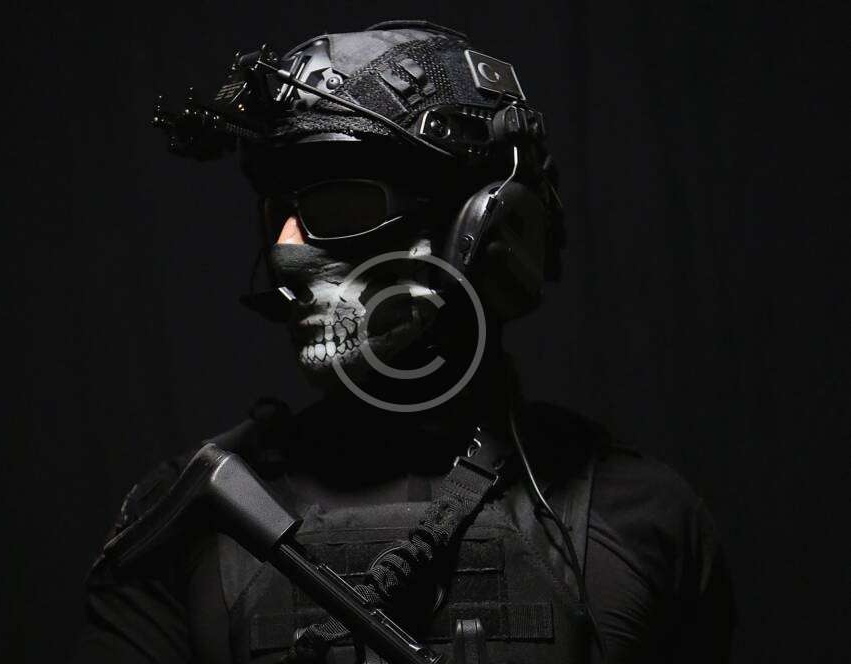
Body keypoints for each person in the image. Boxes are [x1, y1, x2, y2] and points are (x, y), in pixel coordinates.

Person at [73, 21, 733, 664]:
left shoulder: (642, 520)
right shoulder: (184, 519)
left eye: (339, 203)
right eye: (278, 213)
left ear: (484, 229)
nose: (285, 252)